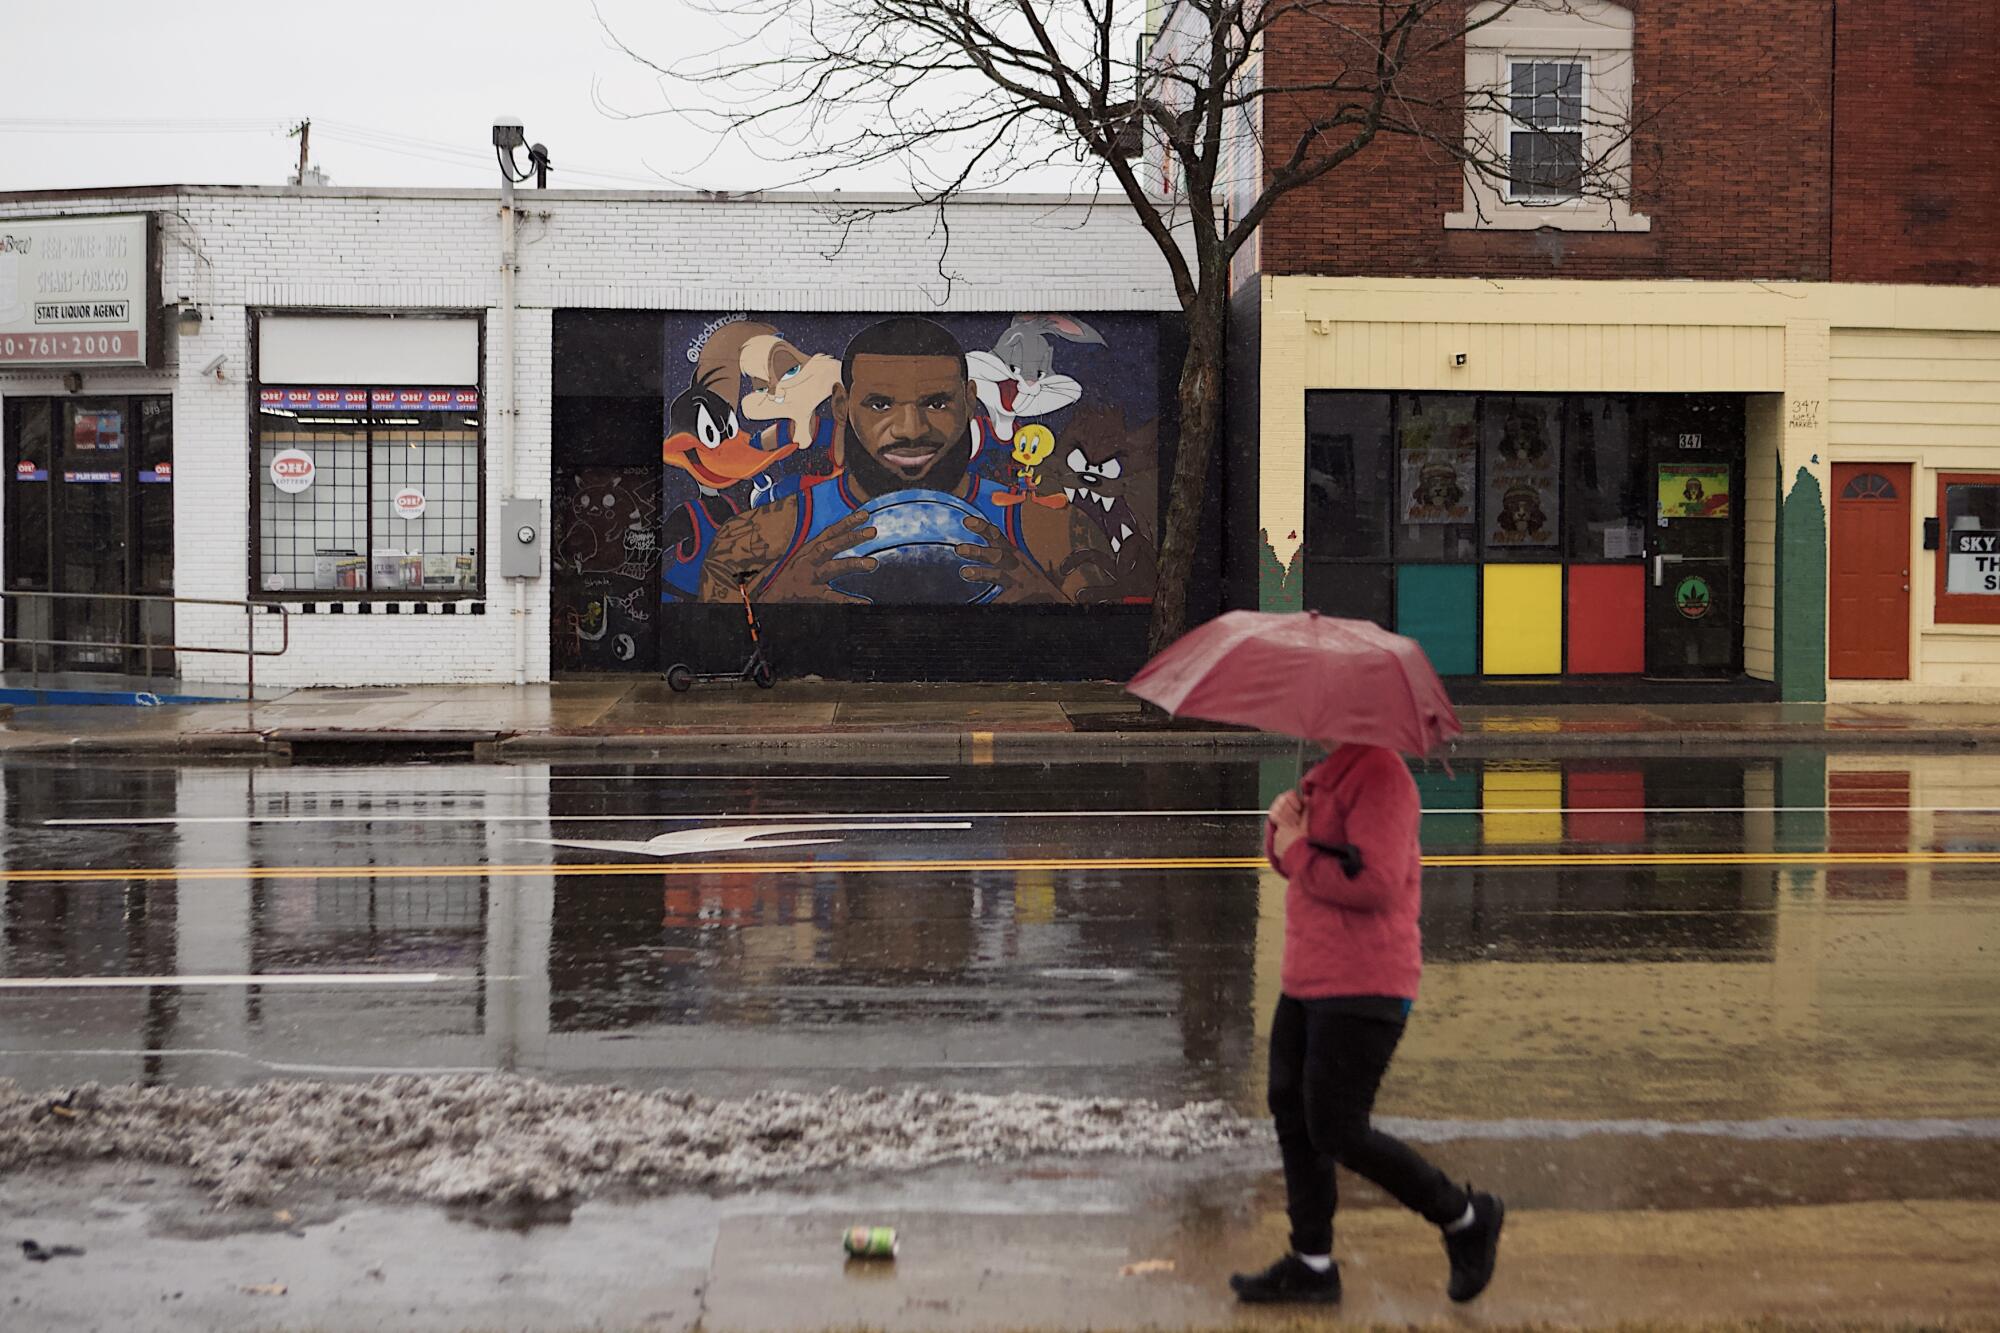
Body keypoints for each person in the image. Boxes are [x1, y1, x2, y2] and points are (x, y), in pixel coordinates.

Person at [1229, 742, 1504, 1306]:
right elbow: (1299, 864)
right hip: (1308, 978)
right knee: (1294, 1115)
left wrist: (1299, 847)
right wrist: (1282, 829)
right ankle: (1311, 1262)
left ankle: (1465, 1216)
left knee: (1336, 1128)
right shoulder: (1328, 774)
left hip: (1364, 983)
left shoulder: (1382, 778)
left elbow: (1374, 883)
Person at [696, 316, 1111, 604]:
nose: (910, 429)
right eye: (879, 404)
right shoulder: (763, 535)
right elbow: (714, 650)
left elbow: (1111, 650)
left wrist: (1040, 600)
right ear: (842, 405)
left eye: (936, 402)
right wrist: (778, 598)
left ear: (970, 401)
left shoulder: (1049, 528)